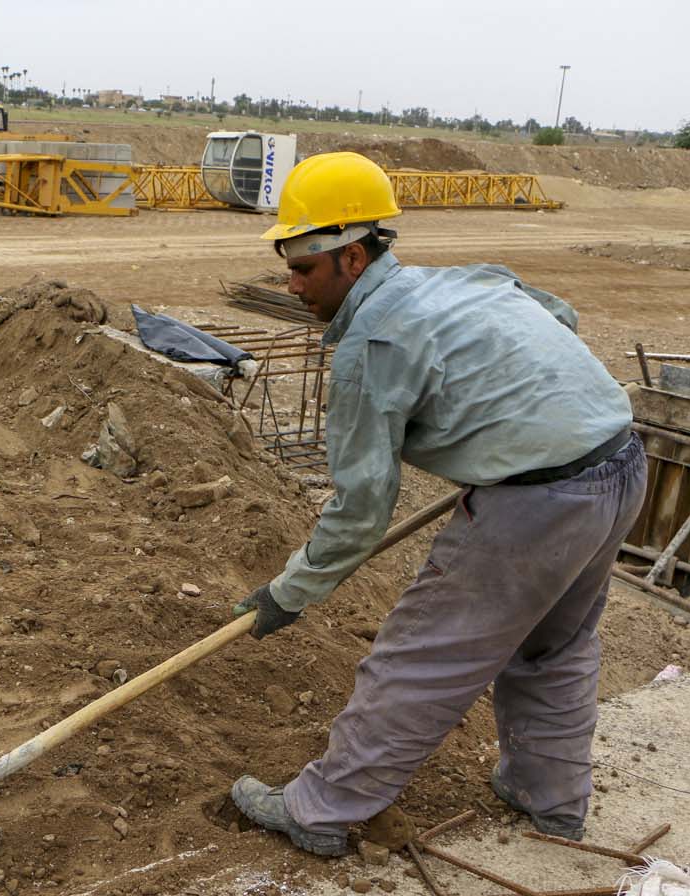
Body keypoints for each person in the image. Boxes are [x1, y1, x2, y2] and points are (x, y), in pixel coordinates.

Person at [229, 152, 645, 857]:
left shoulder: (373, 343)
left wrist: (289, 593)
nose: (290, 283)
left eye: (304, 267)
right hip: (620, 462)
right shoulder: (460, 283)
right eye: (287, 265)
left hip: (537, 503)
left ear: (353, 257)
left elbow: (363, 506)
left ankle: (320, 809)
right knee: (555, 648)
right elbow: (557, 315)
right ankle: (550, 799)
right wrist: (519, 406)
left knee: (420, 656)